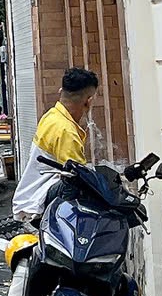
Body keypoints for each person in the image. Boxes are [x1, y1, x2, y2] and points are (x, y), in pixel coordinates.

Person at [12, 66, 98, 222]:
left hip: (31, 196)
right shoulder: (66, 131)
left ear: (60, 91)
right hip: (40, 202)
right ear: (88, 101)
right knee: (78, 182)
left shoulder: (52, 116)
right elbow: (81, 178)